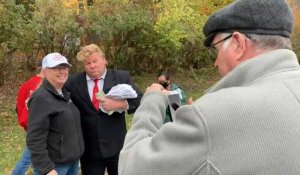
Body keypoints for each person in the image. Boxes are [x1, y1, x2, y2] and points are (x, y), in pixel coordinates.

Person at [118, 0, 300, 174]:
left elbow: (132, 167)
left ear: (238, 43)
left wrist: (151, 101)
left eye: (216, 49)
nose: (215, 62)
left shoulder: (214, 114)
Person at [65, 44, 142, 175]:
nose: (92, 66)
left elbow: (140, 99)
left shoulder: (120, 77)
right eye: (87, 63)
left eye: (95, 61)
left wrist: (118, 105)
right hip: (89, 151)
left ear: (104, 60)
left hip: (117, 147)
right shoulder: (73, 82)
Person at [26, 53, 84, 175]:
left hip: (71, 162)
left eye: (64, 67)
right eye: (57, 68)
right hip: (55, 167)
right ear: (45, 71)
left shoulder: (64, 93)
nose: (62, 71)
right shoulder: (41, 98)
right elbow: (34, 138)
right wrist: (46, 169)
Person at [12, 61, 44, 175]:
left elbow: (18, 107)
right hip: (38, 128)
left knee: (36, 160)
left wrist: (24, 123)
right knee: (28, 159)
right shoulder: (43, 84)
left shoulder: (26, 84)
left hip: (31, 126)